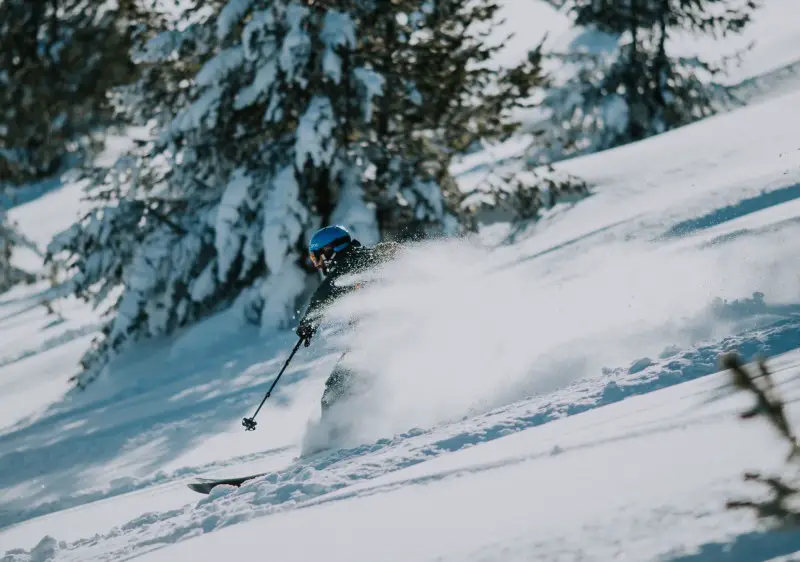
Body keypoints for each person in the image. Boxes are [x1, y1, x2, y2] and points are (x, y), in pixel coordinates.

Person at [296, 225, 400, 413]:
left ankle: (333, 436)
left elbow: (323, 297)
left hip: (373, 340)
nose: (319, 264)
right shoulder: (367, 257)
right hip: (392, 334)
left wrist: (307, 324)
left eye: (318, 256)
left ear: (330, 250)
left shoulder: (346, 267)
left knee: (335, 391)